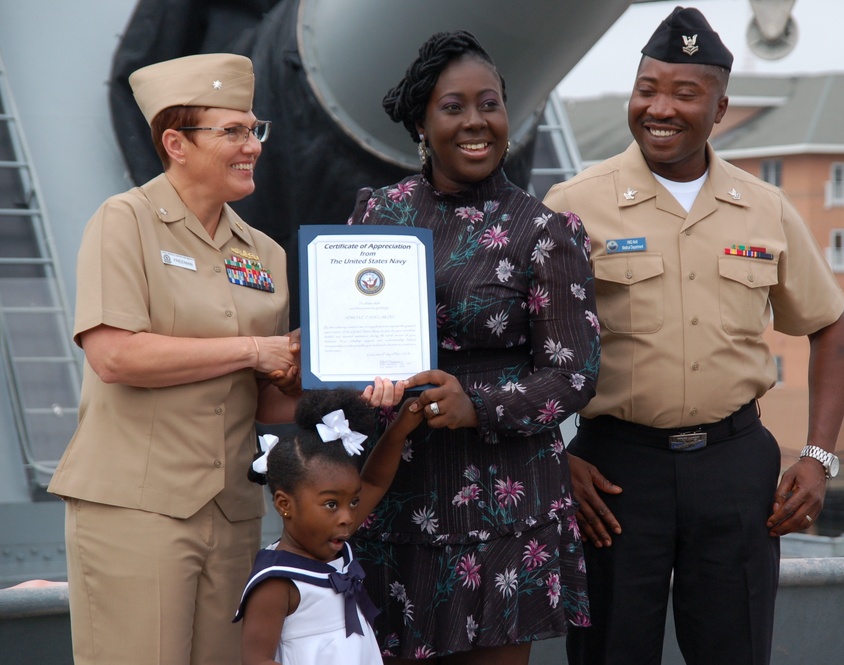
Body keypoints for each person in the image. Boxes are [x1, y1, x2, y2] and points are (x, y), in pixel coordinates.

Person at [542, 7, 844, 665]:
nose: (661, 107)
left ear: (720, 108)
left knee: (735, 648)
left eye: (685, 93)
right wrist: (552, 456)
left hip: (734, 467)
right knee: (609, 652)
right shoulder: (574, 203)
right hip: (614, 473)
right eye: (647, 88)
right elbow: (519, 342)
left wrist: (819, 456)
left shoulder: (763, 206)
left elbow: (829, 327)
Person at [349, 30, 601, 664]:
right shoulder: (377, 216)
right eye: (452, 106)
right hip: (395, 495)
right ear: (421, 123)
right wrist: (348, 375)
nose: (475, 122)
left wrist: (477, 404)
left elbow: (574, 377)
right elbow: (347, 342)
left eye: (489, 103)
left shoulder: (546, 231)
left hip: (504, 505)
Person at [48, 53, 299, 665]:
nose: (252, 146)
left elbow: (266, 400)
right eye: (232, 131)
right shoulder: (124, 221)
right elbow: (115, 356)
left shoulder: (264, 253)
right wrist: (254, 348)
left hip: (231, 508)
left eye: (254, 129)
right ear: (175, 143)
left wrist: (304, 371)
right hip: (138, 507)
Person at [234, 388, 424, 665]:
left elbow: (373, 482)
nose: (347, 517)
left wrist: (399, 429)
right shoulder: (276, 581)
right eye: (331, 504)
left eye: (353, 502)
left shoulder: (333, 539)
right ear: (285, 504)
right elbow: (257, 659)